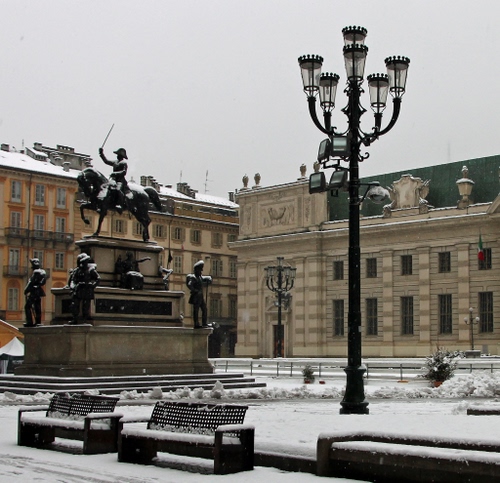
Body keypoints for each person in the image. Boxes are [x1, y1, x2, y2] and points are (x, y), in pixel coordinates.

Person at [68, 253, 100, 324]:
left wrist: (92, 285)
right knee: (75, 304)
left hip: (87, 289)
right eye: (83, 262)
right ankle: (75, 318)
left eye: (85, 261)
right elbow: (73, 280)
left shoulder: (90, 269)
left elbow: (98, 278)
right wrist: (73, 287)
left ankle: (84, 319)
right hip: (79, 289)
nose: (84, 263)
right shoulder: (77, 270)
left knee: (86, 305)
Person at [98, 147, 129, 213]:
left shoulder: (124, 163)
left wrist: (115, 173)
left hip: (120, 180)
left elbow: (124, 172)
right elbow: (106, 161)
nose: (117, 156)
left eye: (118, 155)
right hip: (114, 180)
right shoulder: (115, 162)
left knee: (118, 190)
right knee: (106, 188)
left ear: (121, 156)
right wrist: (101, 154)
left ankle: (119, 204)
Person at [186, 260, 212, 328]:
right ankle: (196, 323)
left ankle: (204, 323)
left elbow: (204, 278)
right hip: (196, 296)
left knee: (204, 309)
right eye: (200, 270)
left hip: (200, 296)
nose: (201, 271)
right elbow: (189, 285)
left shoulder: (199, 277)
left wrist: (209, 278)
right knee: (196, 310)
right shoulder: (193, 277)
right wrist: (195, 290)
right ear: (197, 270)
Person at [24, 258, 47, 327]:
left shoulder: (36, 272)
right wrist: (39, 285)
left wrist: (26, 290)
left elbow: (31, 282)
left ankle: (30, 322)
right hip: (38, 291)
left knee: (27, 306)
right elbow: (43, 281)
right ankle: (38, 321)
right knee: (37, 307)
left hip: (34, 292)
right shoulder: (43, 272)